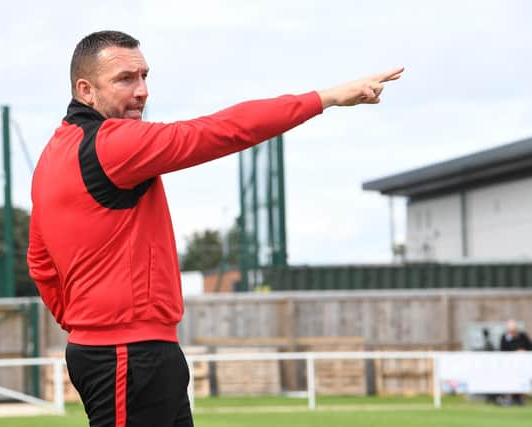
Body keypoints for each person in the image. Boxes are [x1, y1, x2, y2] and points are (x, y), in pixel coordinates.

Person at [27, 30, 403, 427]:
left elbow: (40, 263)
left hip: (130, 350)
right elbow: (221, 130)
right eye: (125, 79)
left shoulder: (53, 154)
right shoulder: (113, 145)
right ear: (85, 90)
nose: (142, 91)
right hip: (127, 353)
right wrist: (325, 98)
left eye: (144, 76)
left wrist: (86, 323)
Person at [499, 319, 532, 405]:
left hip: (522, 365)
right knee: (510, 380)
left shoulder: (522, 336)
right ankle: (510, 398)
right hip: (510, 365)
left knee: (522, 380)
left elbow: (529, 347)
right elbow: (502, 350)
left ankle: (521, 398)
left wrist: (522, 350)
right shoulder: (504, 337)